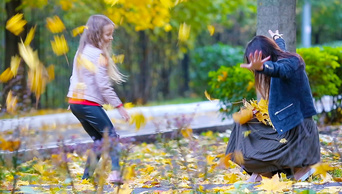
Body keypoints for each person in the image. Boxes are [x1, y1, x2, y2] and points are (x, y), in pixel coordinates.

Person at [225, 30, 320, 182]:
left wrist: (263, 68)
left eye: (259, 59)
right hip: (284, 125)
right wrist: (278, 39)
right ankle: (262, 172)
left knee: (255, 138)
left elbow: (280, 69)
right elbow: (279, 53)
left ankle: (299, 168)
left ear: (266, 56)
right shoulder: (281, 57)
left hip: (297, 130)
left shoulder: (291, 62)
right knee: (243, 122)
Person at [67, 14, 130, 184]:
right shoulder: (98, 55)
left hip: (76, 103)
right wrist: (119, 106)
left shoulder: (81, 52)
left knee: (99, 140)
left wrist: (73, 100)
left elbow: (75, 78)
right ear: (96, 34)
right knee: (112, 137)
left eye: (111, 34)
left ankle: (85, 179)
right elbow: (103, 85)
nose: (111, 38)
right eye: (107, 34)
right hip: (87, 103)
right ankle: (116, 173)